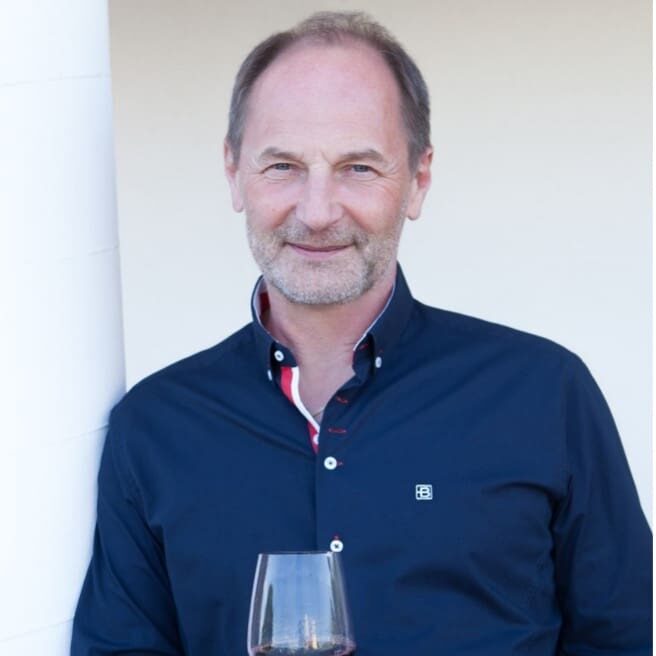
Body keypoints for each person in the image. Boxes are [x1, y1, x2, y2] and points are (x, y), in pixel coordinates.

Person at [71, 11, 651, 655]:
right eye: (283, 165)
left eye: (359, 168)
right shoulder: (153, 429)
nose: (318, 212)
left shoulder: (543, 394)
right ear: (234, 172)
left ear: (418, 181)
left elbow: (627, 639)